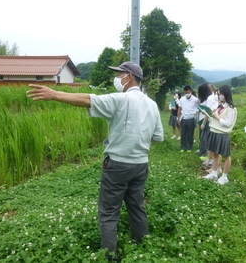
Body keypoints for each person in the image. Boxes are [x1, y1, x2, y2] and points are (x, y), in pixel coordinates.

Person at [27, 61, 164, 261]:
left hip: (118, 164)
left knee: (108, 212)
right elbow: (157, 136)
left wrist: (55, 94)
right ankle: (141, 247)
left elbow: (88, 99)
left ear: (129, 77)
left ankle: (110, 256)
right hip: (141, 164)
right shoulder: (152, 105)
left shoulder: (121, 99)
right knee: (136, 206)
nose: (117, 78)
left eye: (119, 75)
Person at [202, 85, 237, 184]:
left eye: (221, 94)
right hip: (214, 131)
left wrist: (217, 118)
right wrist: (209, 113)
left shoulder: (231, 108)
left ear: (226, 94)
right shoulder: (218, 105)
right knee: (215, 154)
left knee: (226, 156)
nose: (219, 96)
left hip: (222, 134)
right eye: (218, 94)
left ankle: (224, 176)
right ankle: (214, 173)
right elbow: (213, 116)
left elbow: (228, 123)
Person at [177, 85, 199, 152]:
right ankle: (183, 147)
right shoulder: (182, 99)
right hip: (184, 118)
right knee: (183, 133)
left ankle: (189, 147)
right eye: (185, 93)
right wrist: (178, 118)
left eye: (188, 92)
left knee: (190, 133)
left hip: (191, 118)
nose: (187, 94)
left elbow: (198, 108)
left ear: (191, 92)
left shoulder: (195, 99)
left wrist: (195, 113)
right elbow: (179, 109)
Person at [196, 84, 214, 161]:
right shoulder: (203, 99)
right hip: (201, 119)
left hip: (206, 120)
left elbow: (208, 112)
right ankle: (201, 149)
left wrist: (203, 122)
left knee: (205, 137)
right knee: (201, 136)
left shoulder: (210, 98)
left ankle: (204, 154)